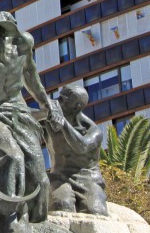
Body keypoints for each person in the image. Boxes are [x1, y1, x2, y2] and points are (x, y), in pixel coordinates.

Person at [0, 6, 62, 227]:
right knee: (12, 157)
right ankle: (8, 222)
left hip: (18, 109)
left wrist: (46, 102)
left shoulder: (22, 45)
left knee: (40, 178)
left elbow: (30, 74)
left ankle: (37, 224)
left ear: (3, 31)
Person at [44, 85, 108, 215]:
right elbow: (25, 117)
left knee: (95, 211)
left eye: (63, 99)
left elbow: (82, 146)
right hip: (59, 177)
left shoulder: (93, 131)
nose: (57, 101)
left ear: (76, 106)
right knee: (62, 206)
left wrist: (63, 124)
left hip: (89, 179)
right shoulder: (49, 120)